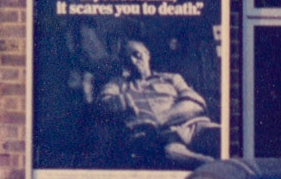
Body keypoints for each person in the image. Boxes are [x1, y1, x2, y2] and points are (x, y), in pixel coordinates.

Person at [84, 39, 220, 169]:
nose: (132, 61)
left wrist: (159, 119)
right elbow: (101, 105)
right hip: (157, 138)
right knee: (172, 154)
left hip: (192, 126)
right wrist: (114, 103)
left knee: (221, 136)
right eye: (127, 59)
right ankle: (216, 168)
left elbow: (195, 104)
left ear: (147, 55)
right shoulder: (117, 84)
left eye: (136, 55)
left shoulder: (171, 78)